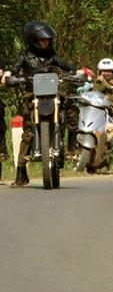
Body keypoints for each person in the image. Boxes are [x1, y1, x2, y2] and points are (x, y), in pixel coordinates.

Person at [9, 22, 78, 187]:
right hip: (32, 96)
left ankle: (71, 147)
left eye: (47, 40)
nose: (45, 42)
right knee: (27, 133)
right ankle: (21, 173)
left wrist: (76, 71)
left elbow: (66, 65)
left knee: (72, 110)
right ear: (33, 40)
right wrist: (10, 75)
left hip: (52, 94)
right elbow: (14, 69)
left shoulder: (51, 55)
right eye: (42, 40)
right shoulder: (25, 56)